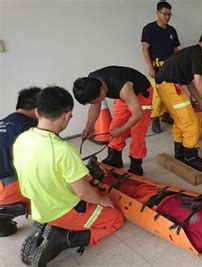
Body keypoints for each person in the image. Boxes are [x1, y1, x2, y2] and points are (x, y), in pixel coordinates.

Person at [13, 87, 124, 266]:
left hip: (38, 205)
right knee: (115, 219)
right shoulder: (63, 150)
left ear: (37, 111)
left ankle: (51, 225)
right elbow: (84, 194)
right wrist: (101, 200)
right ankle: (65, 237)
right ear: (68, 115)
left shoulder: (23, 138)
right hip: (62, 209)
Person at [101, 177, 202, 253]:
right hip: (165, 193)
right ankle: (102, 176)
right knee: (130, 182)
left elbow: (170, 229)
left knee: (121, 191)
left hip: (153, 205)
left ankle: (98, 181)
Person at [155, 29, 202, 171]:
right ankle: (191, 157)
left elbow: (190, 82)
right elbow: (200, 82)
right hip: (170, 87)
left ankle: (180, 153)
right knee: (191, 123)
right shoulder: (198, 54)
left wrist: (201, 103)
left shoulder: (191, 52)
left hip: (165, 86)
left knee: (180, 121)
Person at [73, 66, 153, 175]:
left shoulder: (122, 86)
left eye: (98, 99)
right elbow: (95, 106)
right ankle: (115, 159)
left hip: (141, 94)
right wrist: (89, 127)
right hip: (123, 96)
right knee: (115, 126)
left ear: (102, 89)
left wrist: (122, 130)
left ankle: (136, 165)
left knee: (138, 131)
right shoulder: (92, 82)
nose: (98, 102)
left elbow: (138, 114)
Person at [0, 87, 41, 237]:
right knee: (56, 188)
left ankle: (3, 221)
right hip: (8, 188)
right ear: (38, 109)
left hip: (3, 185)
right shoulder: (30, 127)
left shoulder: (5, 121)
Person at [142, 1, 180, 133]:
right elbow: (145, 49)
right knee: (157, 95)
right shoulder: (149, 29)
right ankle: (155, 119)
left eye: (169, 14)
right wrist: (150, 67)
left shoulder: (171, 30)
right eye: (165, 14)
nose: (167, 17)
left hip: (170, 67)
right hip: (156, 67)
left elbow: (176, 49)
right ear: (157, 13)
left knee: (171, 92)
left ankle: (166, 115)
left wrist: (177, 66)